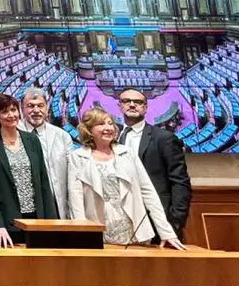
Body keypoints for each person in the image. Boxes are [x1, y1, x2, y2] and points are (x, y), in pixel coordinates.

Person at [67, 107, 186, 249]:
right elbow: (76, 199)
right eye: (101, 124)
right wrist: (81, 234)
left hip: (134, 233)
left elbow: (148, 192)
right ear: (88, 130)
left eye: (110, 123)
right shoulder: (77, 157)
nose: (108, 128)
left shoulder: (127, 153)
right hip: (98, 232)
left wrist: (166, 232)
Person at [0, 93, 58, 248]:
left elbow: (43, 181)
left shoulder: (32, 139)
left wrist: (51, 221)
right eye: (5, 111)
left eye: (13, 110)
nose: (11, 115)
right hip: (6, 220)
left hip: (36, 217)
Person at [117, 88, 192, 240]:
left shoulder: (164, 138)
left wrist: (175, 222)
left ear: (145, 107)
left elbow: (180, 181)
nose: (132, 105)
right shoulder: (113, 137)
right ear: (120, 106)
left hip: (157, 221)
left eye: (138, 102)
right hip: (120, 219)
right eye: (126, 101)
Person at [18, 87, 72, 220]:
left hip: (55, 202)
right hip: (26, 205)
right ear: (22, 109)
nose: (36, 110)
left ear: (47, 108)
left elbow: (72, 175)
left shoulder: (62, 136)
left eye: (40, 106)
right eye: (30, 106)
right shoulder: (14, 134)